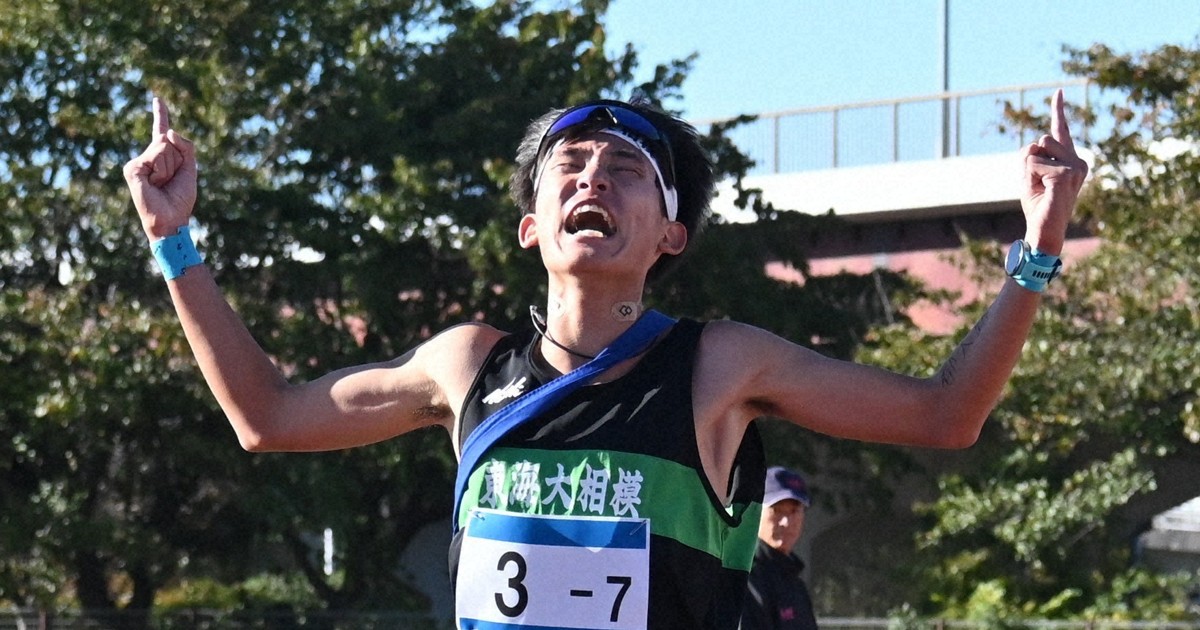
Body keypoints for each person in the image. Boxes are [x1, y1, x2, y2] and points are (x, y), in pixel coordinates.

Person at [123, 90, 1087, 629]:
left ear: (669, 234)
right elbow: (269, 418)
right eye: (572, 167)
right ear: (531, 227)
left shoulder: (719, 367)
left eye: (626, 169)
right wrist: (176, 244)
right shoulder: (468, 367)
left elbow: (945, 415)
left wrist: (1038, 250)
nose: (595, 176)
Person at [740, 466, 819, 630]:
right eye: (776, 510)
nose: (786, 522)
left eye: (794, 511)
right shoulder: (745, 576)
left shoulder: (794, 581)